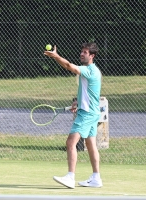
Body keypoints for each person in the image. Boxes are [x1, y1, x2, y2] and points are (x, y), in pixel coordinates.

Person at [44, 42, 102, 189]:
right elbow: (89, 92)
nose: (82, 54)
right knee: (91, 144)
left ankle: (70, 177)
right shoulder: (95, 71)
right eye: (81, 51)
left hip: (87, 114)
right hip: (93, 112)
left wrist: (56, 56)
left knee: (71, 142)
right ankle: (96, 178)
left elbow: (69, 66)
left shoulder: (89, 70)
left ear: (92, 56)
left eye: (85, 52)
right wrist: (78, 103)